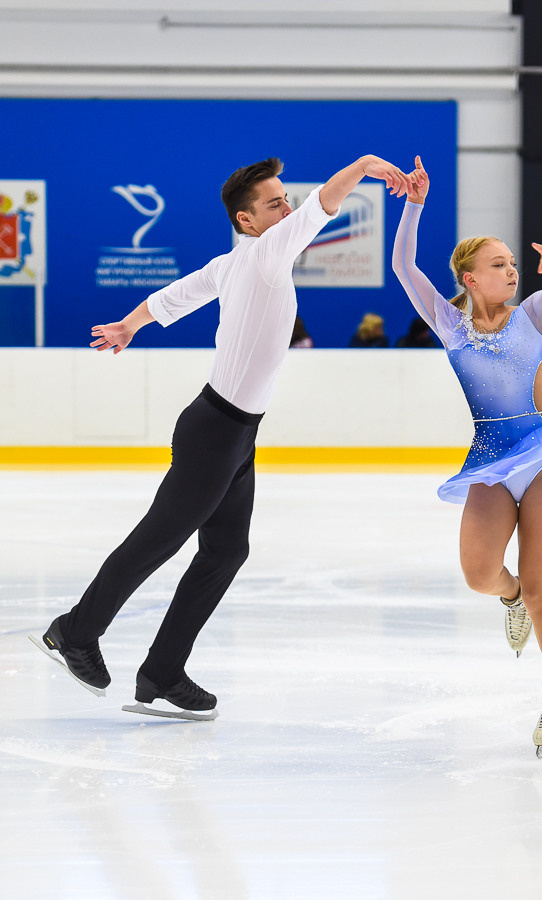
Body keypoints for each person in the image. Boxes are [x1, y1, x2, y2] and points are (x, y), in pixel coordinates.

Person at [29, 153, 416, 720]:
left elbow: (171, 298)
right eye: (275, 202)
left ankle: (161, 672)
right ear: (248, 220)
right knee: (159, 540)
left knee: (227, 550)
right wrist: (364, 166)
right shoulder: (265, 254)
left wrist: (127, 326)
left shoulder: (235, 263)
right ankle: (76, 632)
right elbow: (324, 205)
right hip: (215, 432)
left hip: (233, 434)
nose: (287, 207)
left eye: (286, 198)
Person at [392, 156, 542, 758]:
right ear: (469, 277)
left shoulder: (532, 315)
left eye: (513, 264)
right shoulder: (448, 323)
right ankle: (508, 598)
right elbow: (403, 264)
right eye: (498, 265)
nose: (511, 272)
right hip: (489, 457)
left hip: (540, 455)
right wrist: (414, 204)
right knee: (481, 574)